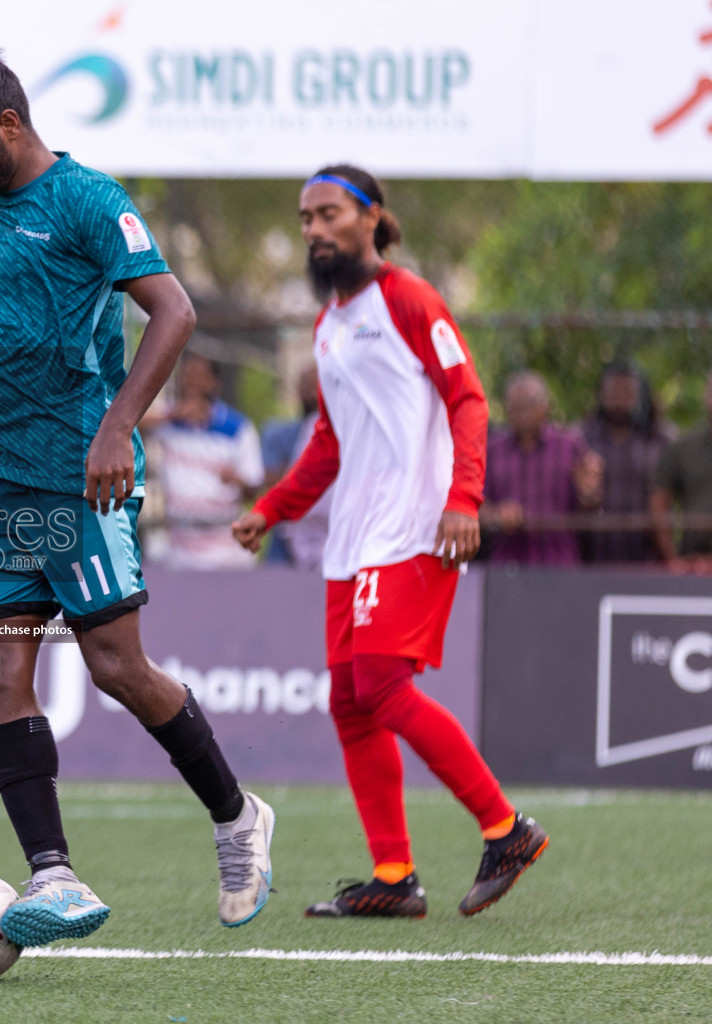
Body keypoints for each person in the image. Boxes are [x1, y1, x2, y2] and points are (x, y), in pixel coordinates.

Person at [0, 50, 274, 946]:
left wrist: (118, 429)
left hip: (82, 470)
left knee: (115, 667)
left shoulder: (86, 198)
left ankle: (236, 816)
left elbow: (175, 311)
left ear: (8, 126)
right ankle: (56, 878)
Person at [232, 165, 547, 919]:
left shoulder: (409, 299)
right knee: (349, 701)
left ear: (372, 218)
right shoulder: (329, 324)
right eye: (306, 218)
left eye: (329, 213)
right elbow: (331, 443)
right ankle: (394, 875)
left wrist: (462, 498)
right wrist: (273, 508)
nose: (314, 230)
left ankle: (506, 829)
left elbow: (468, 397)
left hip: (414, 527)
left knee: (380, 686)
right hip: (355, 538)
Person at [143, 353, 264, 569]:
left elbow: (253, 487)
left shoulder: (238, 427)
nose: (192, 383)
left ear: (215, 383)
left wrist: (236, 479)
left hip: (226, 551)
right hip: (179, 550)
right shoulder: (169, 421)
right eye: (187, 376)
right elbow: (128, 427)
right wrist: (172, 416)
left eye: (199, 377)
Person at [482, 371, 602, 565]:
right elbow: (476, 505)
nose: (522, 414)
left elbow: (591, 507)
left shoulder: (569, 446)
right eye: (515, 407)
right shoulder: (493, 449)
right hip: (507, 566)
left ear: (545, 406)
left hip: (559, 565)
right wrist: (497, 515)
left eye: (529, 405)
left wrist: (589, 494)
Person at [580, 361, 668, 563]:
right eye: (613, 392)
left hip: (647, 556)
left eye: (627, 392)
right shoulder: (582, 439)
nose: (619, 400)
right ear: (601, 395)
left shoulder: (659, 441)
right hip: (593, 555)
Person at [260, 365, 331, 570]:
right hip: (291, 533)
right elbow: (272, 482)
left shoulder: (344, 430)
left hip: (333, 534)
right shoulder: (278, 433)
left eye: (316, 383)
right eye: (306, 384)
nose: (312, 390)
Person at [652, 369, 712, 572]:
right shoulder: (682, 448)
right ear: (706, 395)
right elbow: (659, 502)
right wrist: (673, 560)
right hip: (692, 564)